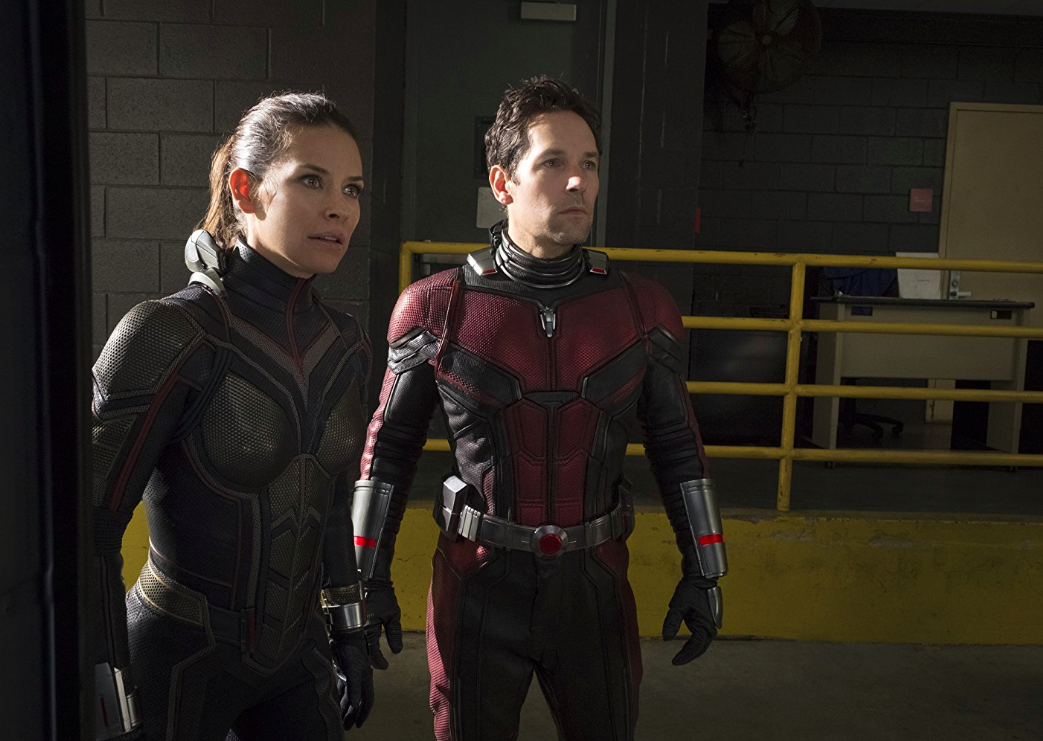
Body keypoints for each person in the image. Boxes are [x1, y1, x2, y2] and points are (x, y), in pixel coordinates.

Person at [352, 76, 728, 741]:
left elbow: (678, 448)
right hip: (477, 586)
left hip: (594, 588)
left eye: (589, 164)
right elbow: (387, 453)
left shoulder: (642, 309)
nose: (578, 181)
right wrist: (365, 577)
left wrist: (706, 567)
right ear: (502, 183)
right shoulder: (436, 308)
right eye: (553, 162)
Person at [91, 92, 374, 740]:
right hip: (178, 658)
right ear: (245, 190)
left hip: (297, 656)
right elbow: (92, 528)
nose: (339, 207)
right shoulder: (169, 333)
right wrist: (108, 689)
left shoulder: (346, 346)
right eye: (311, 180)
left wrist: (349, 632)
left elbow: (331, 503)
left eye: (352, 188)